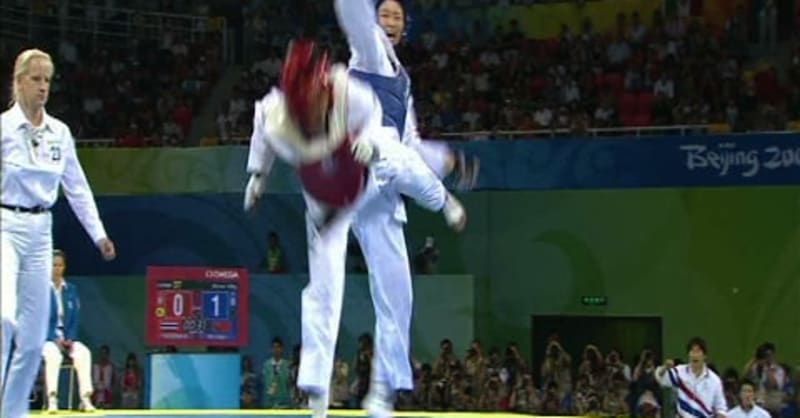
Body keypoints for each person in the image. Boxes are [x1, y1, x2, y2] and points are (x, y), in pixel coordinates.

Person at [243, 39, 462, 418]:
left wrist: (371, 145)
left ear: (324, 86)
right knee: (323, 285)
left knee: (396, 278)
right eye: (301, 104)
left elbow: (380, 127)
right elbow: (261, 132)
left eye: (312, 99)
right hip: (323, 193)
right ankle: (316, 394)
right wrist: (258, 175)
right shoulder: (274, 113)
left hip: (366, 169)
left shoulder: (352, 94)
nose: (307, 108)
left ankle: (445, 201)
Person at [1, 48, 116, 418]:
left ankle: (12, 413)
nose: (42, 87)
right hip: (4, 224)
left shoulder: (60, 133)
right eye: (35, 78)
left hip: (40, 232)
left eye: (47, 80)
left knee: (34, 341)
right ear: (18, 82)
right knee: (4, 320)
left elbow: (78, 189)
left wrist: (99, 235)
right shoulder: (2, 129)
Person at [335, 0, 480, 192]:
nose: (391, 22)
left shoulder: (402, 80)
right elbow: (356, 15)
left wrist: (447, 161)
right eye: (385, 15)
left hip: (382, 174)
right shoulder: (370, 54)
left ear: (405, 27)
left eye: (397, 17)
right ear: (374, 20)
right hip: (354, 165)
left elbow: (409, 142)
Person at [42, 249, 95, 412]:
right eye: (53, 265)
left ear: (64, 267)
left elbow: (75, 318)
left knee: (83, 353)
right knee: (53, 356)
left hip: (66, 337)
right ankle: (52, 398)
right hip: (47, 339)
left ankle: (85, 399)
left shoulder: (71, 289)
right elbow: (38, 320)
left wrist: (70, 339)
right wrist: (53, 338)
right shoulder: (41, 290)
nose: (56, 269)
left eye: (59, 265)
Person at [654, 337, 728, 418]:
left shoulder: (714, 380)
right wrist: (665, 367)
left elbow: (721, 408)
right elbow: (660, 378)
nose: (694, 355)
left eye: (698, 351)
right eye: (692, 351)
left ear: (705, 356)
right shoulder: (679, 372)